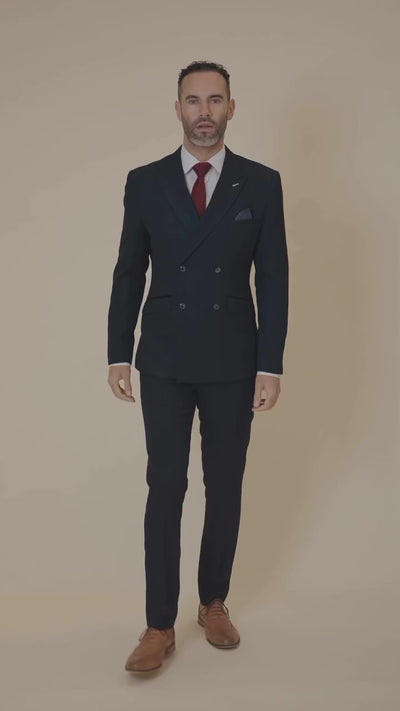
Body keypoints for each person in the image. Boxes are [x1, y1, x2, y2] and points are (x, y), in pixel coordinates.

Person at [107, 60, 289, 673]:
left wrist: (270, 364)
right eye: (193, 100)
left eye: (215, 100)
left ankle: (213, 602)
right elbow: (129, 269)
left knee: (225, 483)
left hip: (234, 358)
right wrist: (117, 350)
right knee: (165, 486)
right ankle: (159, 623)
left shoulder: (260, 183)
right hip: (162, 356)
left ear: (231, 108)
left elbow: (275, 277)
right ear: (178, 108)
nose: (204, 112)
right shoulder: (145, 181)